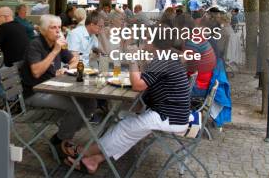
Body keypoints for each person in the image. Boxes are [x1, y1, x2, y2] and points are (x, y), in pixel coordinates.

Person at [66, 30, 190, 174]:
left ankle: (83, 152)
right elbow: (145, 74)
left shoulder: (163, 60)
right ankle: (94, 160)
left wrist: (132, 59)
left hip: (170, 117)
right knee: (130, 129)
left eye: (146, 40)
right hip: (173, 114)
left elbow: (138, 85)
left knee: (125, 127)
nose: (143, 43)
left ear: (155, 43)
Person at [20, 14, 97, 159]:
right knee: (76, 107)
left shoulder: (57, 42)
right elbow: (36, 72)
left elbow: (75, 59)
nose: (57, 31)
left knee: (90, 102)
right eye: (52, 27)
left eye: (59, 27)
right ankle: (60, 142)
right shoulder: (36, 45)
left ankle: (62, 136)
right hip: (35, 92)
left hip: (54, 87)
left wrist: (66, 67)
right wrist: (55, 51)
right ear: (43, 30)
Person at [183, 27, 217, 97]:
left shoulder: (192, 42)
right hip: (206, 85)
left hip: (198, 88)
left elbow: (183, 63)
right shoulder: (200, 39)